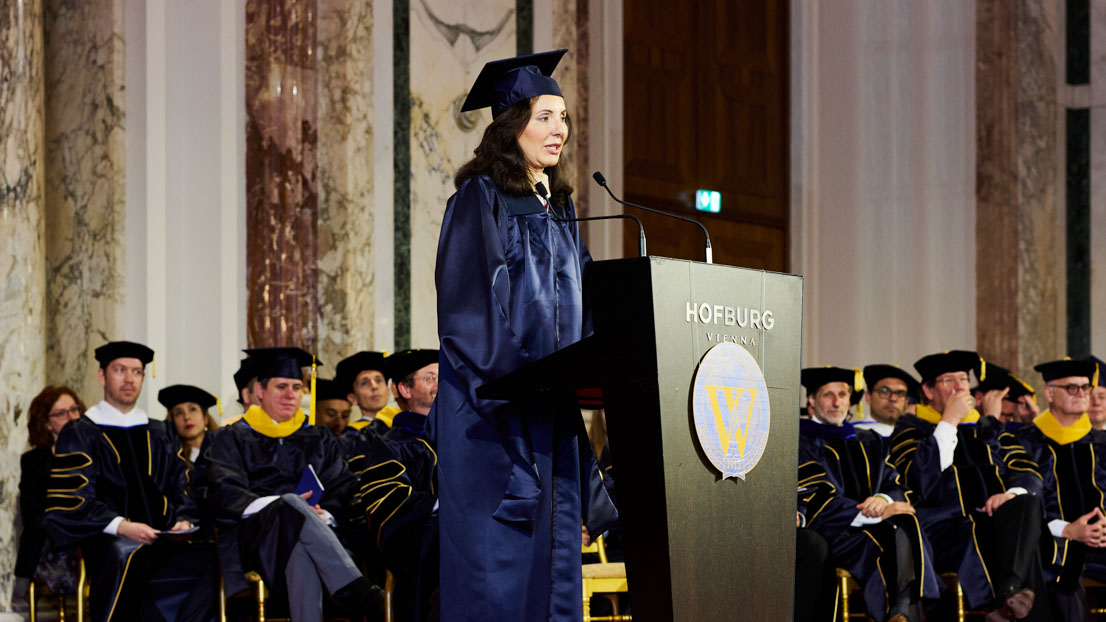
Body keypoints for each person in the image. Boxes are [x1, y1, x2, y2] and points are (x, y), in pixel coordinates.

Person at [430, 49, 617, 621]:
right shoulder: (477, 200)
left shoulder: (560, 208)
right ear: (511, 126)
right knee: (499, 575)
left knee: (553, 570)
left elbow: (589, 304)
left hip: (548, 410)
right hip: (495, 416)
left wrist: (608, 350)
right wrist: (529, 379)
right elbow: (468, 313)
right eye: (544, 117)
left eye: (563, 117)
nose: (559, 129)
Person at [205, 347, 383, 622]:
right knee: (291, 503)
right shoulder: (230, 438)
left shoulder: (319, 437)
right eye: (281, 387)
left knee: (299, 545)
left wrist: (324, 513)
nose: (291, 394)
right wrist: (288, 506)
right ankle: (356, 588)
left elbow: (342, 485)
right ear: (260, 391)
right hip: (256, 539)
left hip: (314, 535)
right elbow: (224, 490)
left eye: (297, 387)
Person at [43, 340, 215, 622]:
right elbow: (73, 500)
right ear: (102, 376)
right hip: (109, 539)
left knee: (216, 561)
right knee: (127, 553)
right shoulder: (81, 433)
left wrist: (183, 519)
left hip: (164, 538)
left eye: (136, 372)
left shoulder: (160, 432)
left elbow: (181, 484)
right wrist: (123, 526)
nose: (129, 379)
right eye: (120, 370)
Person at [889, 350, 1048, 621]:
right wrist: (948, 421)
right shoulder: (910, 429)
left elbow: (1026, 469)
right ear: (928, 390)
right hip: (944, 530)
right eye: (949, 380)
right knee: (1002, 536)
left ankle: (1009, 592)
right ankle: (1006, 605)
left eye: (964, 379)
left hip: (993, 522)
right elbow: (919, 480)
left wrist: (1010, 495)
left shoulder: (985, 428)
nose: (960, 387)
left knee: (1027, 503)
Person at [798, 367, 938, 622]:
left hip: (874, 524)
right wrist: (869, 513)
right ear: (811, 400)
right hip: (835, 529)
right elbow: (814, 494)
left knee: (904, 522)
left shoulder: (868, 439)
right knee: (895, 534)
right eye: (828, 395)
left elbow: (893, 482)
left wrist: (883, 500)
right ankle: (903, 610)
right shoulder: (801, 440)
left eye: (842, 394)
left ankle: (900, 610)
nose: (837, 401)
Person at [1010, 358, 1106, 620]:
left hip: (1102, 544)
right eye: (1072, 388)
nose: (1082, 394)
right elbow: (1023, 504)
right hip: (1052, 544)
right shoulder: (1024, 442)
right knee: (1058, 571)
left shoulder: (1101, 442)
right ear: (1050, 393)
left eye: (1085, 388)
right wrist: (1069, 530)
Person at [14, 386, 85, 608]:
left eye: (74, 410)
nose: (71, 417)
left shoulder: (94, 453)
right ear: (46, 423)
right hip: (51, 541)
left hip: (90, 539)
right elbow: (33, 516)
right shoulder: (34, 462)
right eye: (61, 413)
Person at [384, 349, 438, 444]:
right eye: (430, 378)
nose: (438, 384)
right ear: (405, 389)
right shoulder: (394, 444)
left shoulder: (456, 429)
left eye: (440, 377)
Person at [336, 351, 399, 432]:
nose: (374, 386)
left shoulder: (402, 426)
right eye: (364, 383)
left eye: (379, 380)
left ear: (388, 391)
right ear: (353, 398)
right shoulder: (353, 435)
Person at [158, 384, 220, 464]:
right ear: (172, 422)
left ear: (205, 418)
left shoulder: (224, 450)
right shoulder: (170, 459)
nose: (186, 417)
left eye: (192, 409)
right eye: (179, 413)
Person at [854, 365, 920, 437]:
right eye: (884, 391)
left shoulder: (914, 439)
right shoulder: (853, 437)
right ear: (868, 397)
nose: (893, 398)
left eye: (900, 393)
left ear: (906, 402)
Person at [972, 363, 1038, 429]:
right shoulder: (965, 427)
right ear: (979, 397)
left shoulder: (1009, 428)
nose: (1003, 421)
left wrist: (1030, 425)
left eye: (1009, 416)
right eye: (1001, 414)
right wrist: (990, 420)